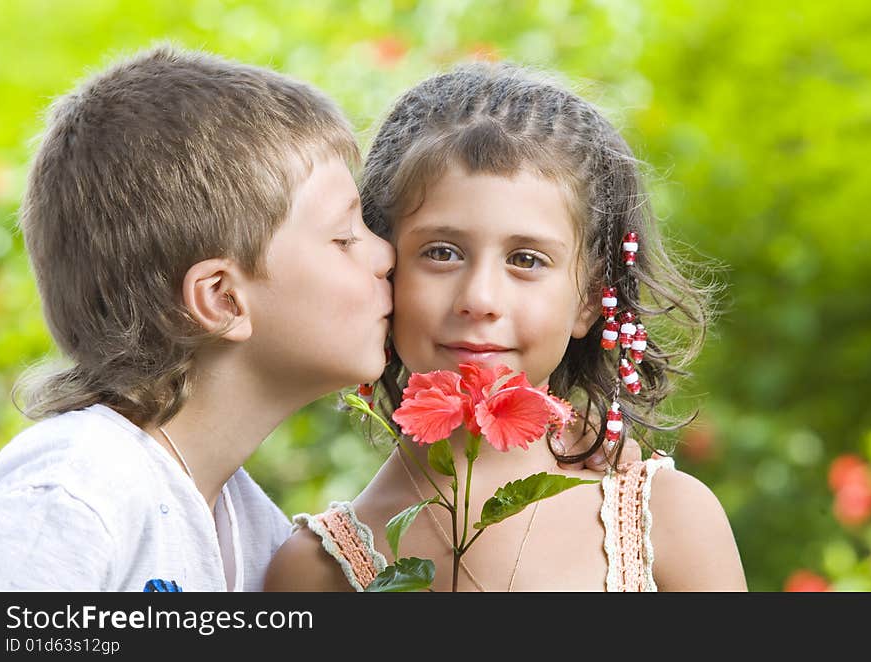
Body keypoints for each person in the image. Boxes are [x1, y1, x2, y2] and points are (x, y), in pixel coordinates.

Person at [265, 62, 747, 592]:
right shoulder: (317, 569)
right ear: (385, 268)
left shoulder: (669, 522)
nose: (480, 299)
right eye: (442, 253)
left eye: (526, 259)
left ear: (588, 299)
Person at [0, 45, 396, 591]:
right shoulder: (73, 492)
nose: (386, 256)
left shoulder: (254, 535)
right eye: (345, 237)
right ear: (222, 299)